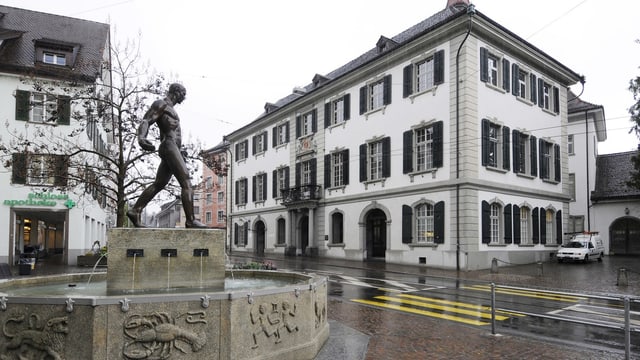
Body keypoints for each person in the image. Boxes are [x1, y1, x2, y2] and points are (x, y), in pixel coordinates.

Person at [126, 83, 207, 228]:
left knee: (159, 184)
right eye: (183, 94)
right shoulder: (161, 104)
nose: (184, 97)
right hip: (168, 146)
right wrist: (141, 137)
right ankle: (190, 220)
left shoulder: (171, 109)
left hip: (172, 147)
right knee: (187, 182)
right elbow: (146, 120)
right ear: (177, 92)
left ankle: (135, 210)